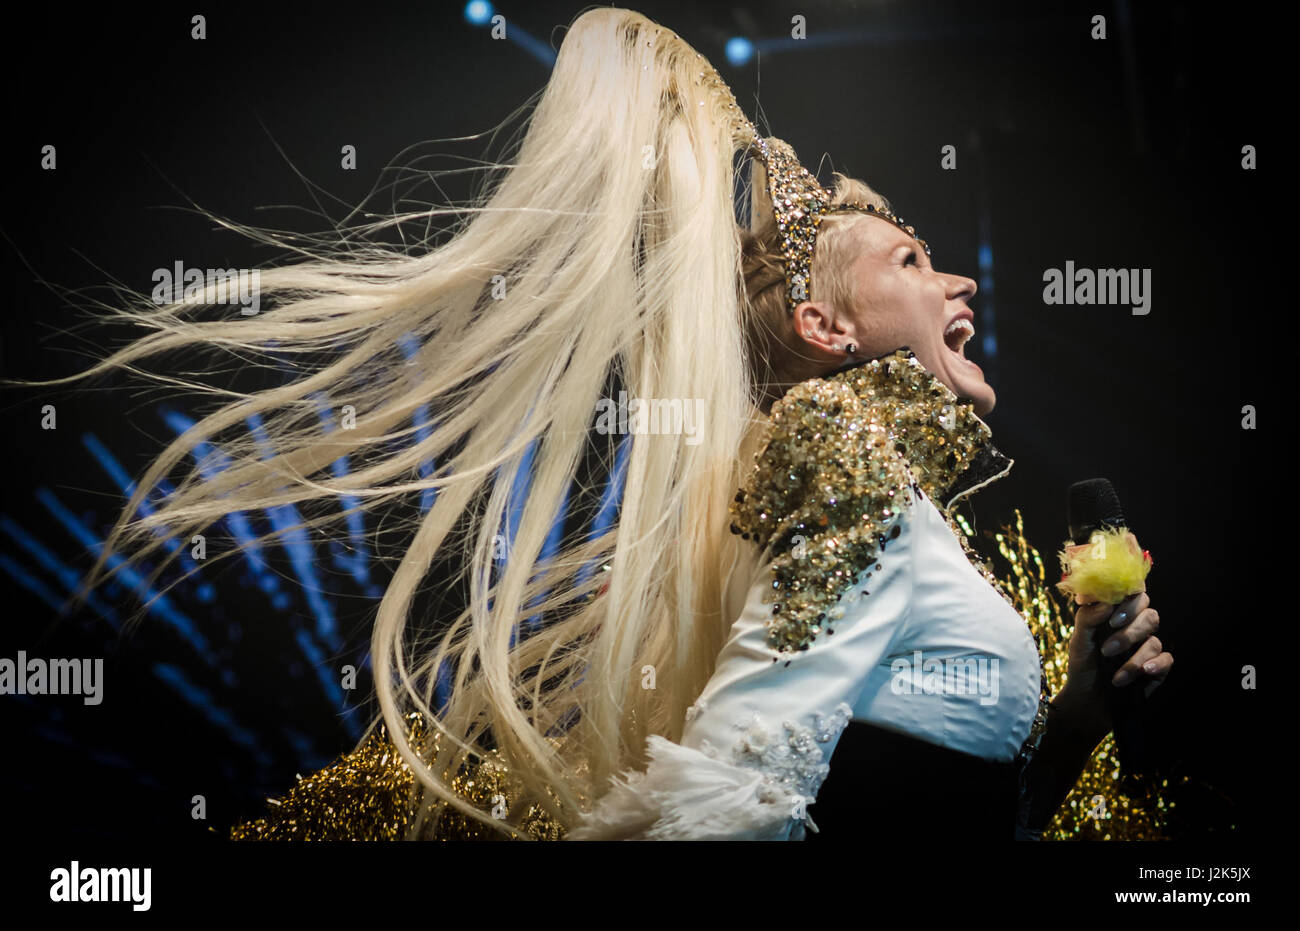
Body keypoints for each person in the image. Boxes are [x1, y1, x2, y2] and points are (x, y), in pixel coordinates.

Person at [34, 8, 1171, 841]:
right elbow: (732, 795)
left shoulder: (887, 498)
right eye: (914, 261)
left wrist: (1075, 716)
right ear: (825, 326)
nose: (961, 285)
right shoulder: (847, 470)